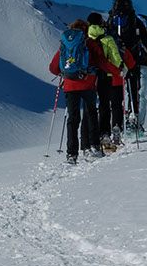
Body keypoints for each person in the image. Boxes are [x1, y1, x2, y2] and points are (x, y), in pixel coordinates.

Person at [50, 19, 122, 163]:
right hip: (88, 84)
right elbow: (102, 61)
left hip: (70, 86)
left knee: (72, 119)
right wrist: (118, 71)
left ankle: (72, 154)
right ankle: (93, 147)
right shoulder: (88, 42)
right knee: (91, 115)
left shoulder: (65, 44)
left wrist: (65, 72)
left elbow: (53, 68)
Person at [107, 0, 147, 135]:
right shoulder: (135, 20)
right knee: (134, 90)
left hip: (114, 62)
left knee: (116, 93)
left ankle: (115, 123)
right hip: (133, 60)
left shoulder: (110, 20)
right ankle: (133, 118)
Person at [84, 12, 132, 151]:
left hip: (91, 77)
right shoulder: (108, 38)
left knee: (97, 107)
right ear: (100, 22)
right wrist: (122, 68)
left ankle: (100, 135)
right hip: (107, 75)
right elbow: (115, 57)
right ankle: (115, 127)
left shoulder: (86, 38)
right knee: (110, 104)